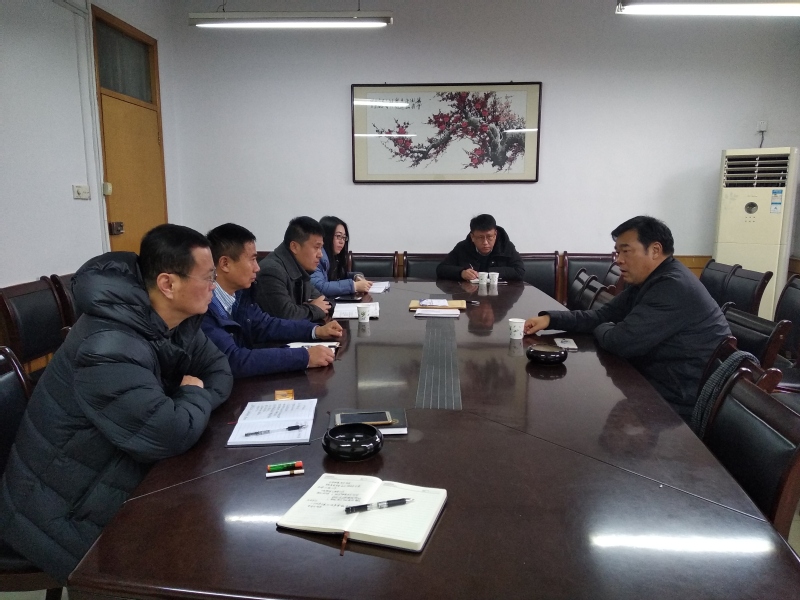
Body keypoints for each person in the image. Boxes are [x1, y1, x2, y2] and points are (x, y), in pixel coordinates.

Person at [0, 224, 233, 583]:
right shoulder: (108, 345)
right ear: (168, 284)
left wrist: (187, 402)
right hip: (58, 513)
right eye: (208, 277)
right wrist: (191, 396)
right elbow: (169, 433)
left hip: (108, 481)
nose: (214, 286)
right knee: (202, 558)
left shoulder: (176, 321)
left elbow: (219, 369)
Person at [523, 216, 730, 421]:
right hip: (655, 383)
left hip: (680, 403)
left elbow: (620, 342)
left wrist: (604, 326)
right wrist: (550, 320)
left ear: (655, 250)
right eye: (617, 251)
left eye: (626, 251)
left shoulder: (672, 286)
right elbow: (603, 315)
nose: (618, 259)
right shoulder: (651, 279)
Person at [203, 223, 342, 377]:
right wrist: (305, 357)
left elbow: (267, 325)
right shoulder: (204, 306)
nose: (257, 268)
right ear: (225, 264)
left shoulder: (240, 295)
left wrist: (315, 331)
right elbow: (234, 360)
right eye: (252, 260)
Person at [256, 216, 331, 321]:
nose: (320, 254)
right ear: (294, 247)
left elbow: (324, 302)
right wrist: (314, 308)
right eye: (316, 247)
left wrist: (309, 308)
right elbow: (286, 315)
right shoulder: (271, 271)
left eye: (321, 248)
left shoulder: (301, 267)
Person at [436, 213, 524, 281]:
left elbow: (520, 271)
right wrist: (461, 273)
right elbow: (441, 269)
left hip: (500, 294)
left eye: (489, 237)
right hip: (469, 294)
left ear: (495, 234)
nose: (485, 242)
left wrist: (490, 273)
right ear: (472, 237)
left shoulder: (506, 246)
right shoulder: (463, 247)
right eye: (480, 237)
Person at [311, 215, 373, 297]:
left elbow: (341, 276)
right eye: (338, 236)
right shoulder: (317, 257)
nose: (342, 241)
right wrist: (354, 286)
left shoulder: (334, 257)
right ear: (326, 236)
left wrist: (356, 276)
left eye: (344, 237)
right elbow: (320, 287)